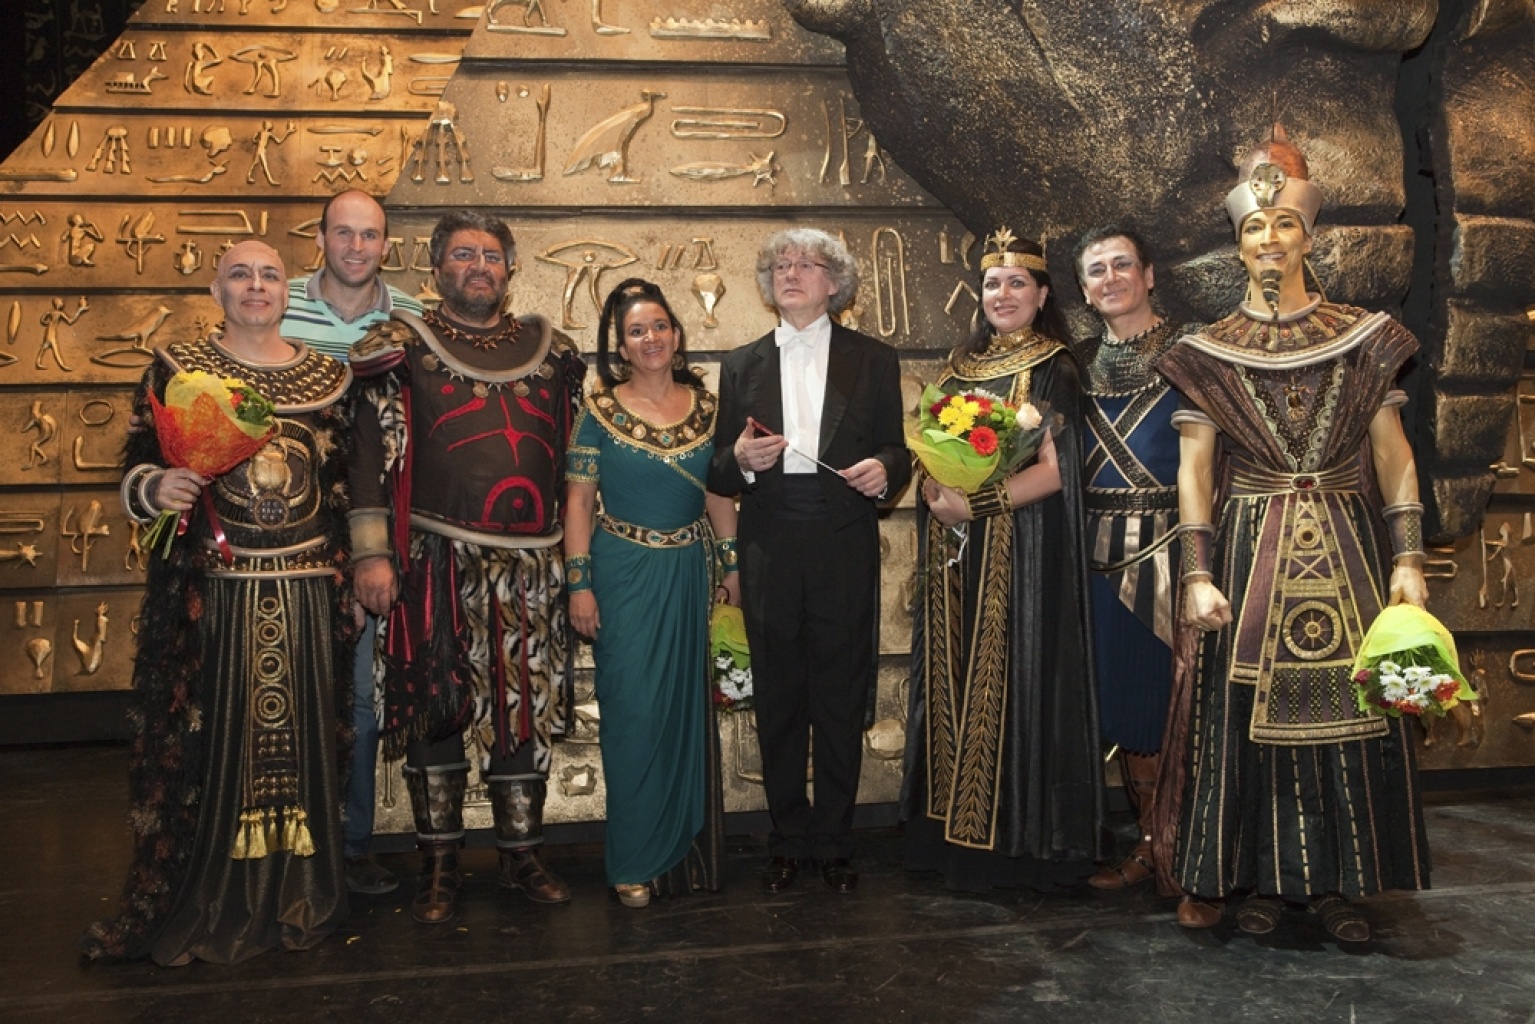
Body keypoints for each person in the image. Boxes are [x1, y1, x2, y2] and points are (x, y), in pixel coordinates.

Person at [1153, 129, 1431, 941]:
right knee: (1244, 717)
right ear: (1237, 244)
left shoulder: (1363, 336)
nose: (1268, 238)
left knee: (1351, 715)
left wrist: (1408, 559)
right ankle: (1258, 882)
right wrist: (1196, 571)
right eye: (1253, 226)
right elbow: (1193, 471)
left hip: (1346, 541)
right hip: (1251, 546)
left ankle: (1343, 887)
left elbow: (1393, 455)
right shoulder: (1206, 350)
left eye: (1282, 224)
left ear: (1308, 237)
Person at [85, 241, 356, 964]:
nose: (256, 285)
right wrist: (155, 488)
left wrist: (360, 567)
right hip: (216, 595)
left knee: (303, 749)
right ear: (216, 290)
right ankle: (211, 894)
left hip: (307, 594)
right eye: (240, 274)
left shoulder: (329, 378)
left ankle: (302, 889)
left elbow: (345, 485)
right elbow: (136, 465)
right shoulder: (179, 369)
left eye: (269, 274)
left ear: (288, 290)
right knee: (212, 748)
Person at [348, 210, 586, 924]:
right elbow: (367, 457)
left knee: (522, 710)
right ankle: (440, 862)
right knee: (437, 707)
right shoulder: (396, 347)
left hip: (532, 565)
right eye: (461, 254)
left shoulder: (552, 351)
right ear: (436, 269)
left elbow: (578, 465)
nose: (477, 266)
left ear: (509, 269)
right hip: (433, 557)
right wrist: (372, 554)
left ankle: (522, 853)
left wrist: (582, 563)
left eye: (490, 255)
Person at [707, 228, 910, 894]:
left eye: (805, 264)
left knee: (841, 694)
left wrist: (885, 469)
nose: (790, 273)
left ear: (835, 282)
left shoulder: (872, 358)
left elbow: (896, 450)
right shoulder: (740, 363)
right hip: (769, 542)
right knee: (779, 696)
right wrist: (740, 459)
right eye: (780, 265)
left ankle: (835, 842)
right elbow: (717, 471)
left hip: (843, 537)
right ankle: (789, 839)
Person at [904, 228, 1106, 892]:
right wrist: (933, 488)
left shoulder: (1055, 367)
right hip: (954, 550)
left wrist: (976, 504)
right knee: (951, 680)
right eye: (993, 282)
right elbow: (930, 444)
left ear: (1043, 295)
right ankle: (946, 837)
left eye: (1018, 282)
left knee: (1010, 680)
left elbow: (1056, 469)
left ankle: (1012, 846)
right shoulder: (958, 365)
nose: (1004, 294)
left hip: (1022, 550)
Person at [564, 279, 739, 908]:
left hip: (690, 572)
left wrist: (732, 567)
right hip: (623, 574)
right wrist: (580, 584)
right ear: (621, 346)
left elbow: (719, 493)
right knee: (634, 715)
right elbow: (578, 502)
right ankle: (633, 861)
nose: (650, 338)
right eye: (636, 331)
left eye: (659, 325)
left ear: (677, 333)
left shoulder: (710, 408)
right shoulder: (598, 411)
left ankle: (685, 853)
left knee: (687, 712)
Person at [283, 190, 423, 898]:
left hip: (368, 533)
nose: (357, 247)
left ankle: (351, 845)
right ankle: (277, 847)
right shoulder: (276, 307)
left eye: (369, 235)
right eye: (344, 233)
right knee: (282, 690)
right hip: (283, 532)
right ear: (320, 238)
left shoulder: (412, 320)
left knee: (362, 701)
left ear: (386, 246)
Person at [1071, 226, 1192, 892]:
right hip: (1094, 553)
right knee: (1124, 706)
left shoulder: (1193, 352)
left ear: (1148, 275)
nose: (1110, 278)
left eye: (1123, 265)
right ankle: (1149, 844)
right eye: (1097, 270)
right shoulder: (1075, 364)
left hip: (1175, 549)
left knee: (1176, 705)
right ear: (1084, 291)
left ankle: (1188, 852)